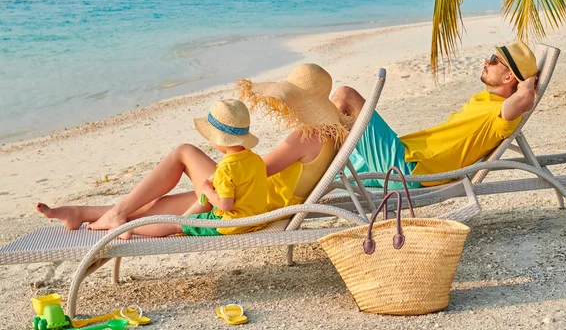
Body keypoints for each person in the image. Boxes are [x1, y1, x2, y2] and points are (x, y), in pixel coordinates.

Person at [37, 64, 346, 234]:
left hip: (253, 201)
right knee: (169, 202)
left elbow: (255, 168)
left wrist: (217, 178)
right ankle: (82, 213)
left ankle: (116, 212)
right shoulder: (332, 134)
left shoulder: (305, 137)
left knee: (184, 152)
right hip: (260, 197)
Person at [37, 99, 267, 238]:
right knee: (163, 205)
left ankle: (120, 219)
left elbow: (230, 200)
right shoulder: (256, 157)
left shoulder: (232, 166)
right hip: (250, 203)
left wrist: (210, 189)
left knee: (183, 154)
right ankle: (83, 213)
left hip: (238, 211)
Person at [331, 41, 539, 187]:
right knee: (326, 165)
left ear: (509, 76)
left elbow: (525, 98)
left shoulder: (501, 116)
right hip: (405, 156)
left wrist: (528, 82)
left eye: (494, 60)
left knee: (346, 95)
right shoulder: (485, 100)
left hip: (408, 171)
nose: (486, 60)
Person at [238, 63, 348, 210]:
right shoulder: (332, 137)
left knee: (195, 154)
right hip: (282, 203)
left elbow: (253, 173)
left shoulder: (306, 137)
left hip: (257, 203)